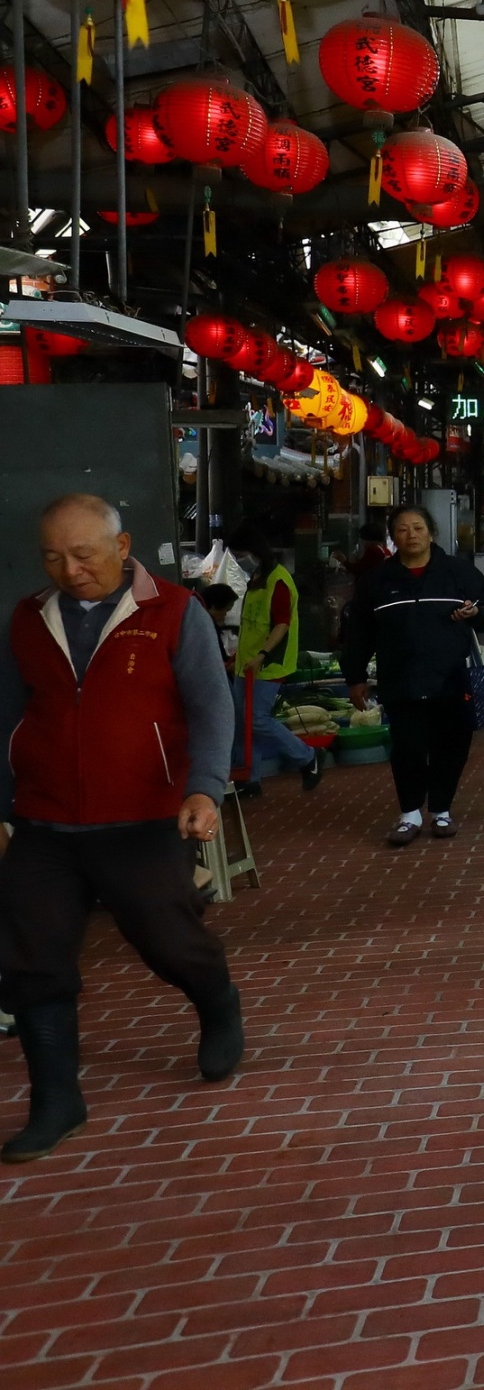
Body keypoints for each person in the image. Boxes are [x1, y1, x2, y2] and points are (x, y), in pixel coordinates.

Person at [0, 495, 243, 1162]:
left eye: (84, 555)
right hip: (45, 820)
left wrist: (203, 788)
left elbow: (211, 707)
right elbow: (6, 717)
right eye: (53, 557)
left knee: (167, 940)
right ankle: (56, 1100)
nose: (69, 570)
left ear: (123, 546)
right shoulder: (28, 619)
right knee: (31, 957)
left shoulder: (173, 611)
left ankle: (216, 999)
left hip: (141, 817)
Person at [339, 504, 484, 845]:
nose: (411, 535)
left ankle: (441, 810)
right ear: (392, 537)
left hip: (453, 677)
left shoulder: (459, 573)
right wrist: (355, 677)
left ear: (431, 533)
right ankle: (410, 813)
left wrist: (473, 614)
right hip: (401, 678)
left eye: (418, 528)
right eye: (402, 529)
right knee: (408, 748)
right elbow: (359, 633)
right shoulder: (377, 580)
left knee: (452, 746)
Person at [228, 529, 323, 794]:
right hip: (246, 663)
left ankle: (308, 757)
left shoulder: (278, 581)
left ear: (255, 552)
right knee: (242, 722)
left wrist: (263, 654)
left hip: (269, 663)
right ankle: (249, 779)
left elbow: (282, 624)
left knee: (256, 719)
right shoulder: (256, 578)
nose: (239, 561)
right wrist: (239, 656)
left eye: (241, 555)